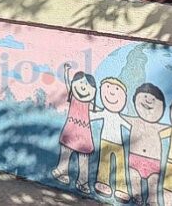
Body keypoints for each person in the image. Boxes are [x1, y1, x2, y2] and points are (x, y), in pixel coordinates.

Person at [51, 63, 97, 194]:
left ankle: (83, 182)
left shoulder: (89, 103)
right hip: (71, 130)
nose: (83, 88)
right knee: (66, 152)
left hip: (84, 134)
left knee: (84, 158)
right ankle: (61, 172)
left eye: (87, 86)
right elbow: (67, 83)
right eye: (81, 84)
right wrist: (66, 72)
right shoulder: (72, 98)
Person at [123, 83, 168, 206]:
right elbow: (121, 117)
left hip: (154, 162)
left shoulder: (159, 127)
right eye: (144, 97)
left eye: (154, 99)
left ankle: (152, 201)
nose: (148, 101)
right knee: (135, 180)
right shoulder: (134, 121)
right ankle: (137, 198)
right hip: (135, 158)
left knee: (153, 184)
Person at [92, 78, 131, 203]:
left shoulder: (118, 116)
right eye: (107, 88)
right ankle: (103, 182)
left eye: (116, 90)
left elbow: (129, 126)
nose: (112, 94)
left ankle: (121, 188)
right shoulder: (104, 112)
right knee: (104, 163)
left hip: (119, 144)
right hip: (105, 141)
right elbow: (93, 116)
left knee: (120, 165)